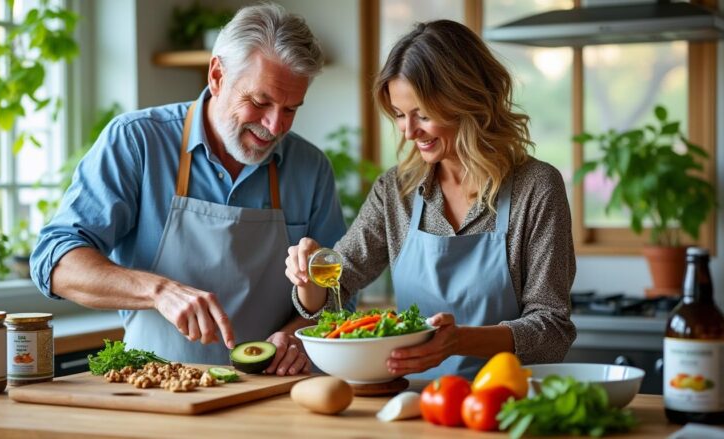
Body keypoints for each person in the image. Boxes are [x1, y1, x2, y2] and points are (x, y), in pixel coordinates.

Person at [30, 3, 346, 376]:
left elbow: (341, 296)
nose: (275, 126)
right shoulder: (137, 142)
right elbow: (55, 260)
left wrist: (296, 335)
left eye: (291, 109)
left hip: (272, 394)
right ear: (216, 76)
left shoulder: (310, 168)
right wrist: (158, 291)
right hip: (156, 387)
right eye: (260, 102)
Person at [285, 19, 576, 380]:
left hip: (508, 402)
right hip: (415, 404)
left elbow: (552, 330)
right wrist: (307, 276)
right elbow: (337, 284)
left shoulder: (536, 187)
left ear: (466, 99)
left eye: (422, 115)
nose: (408, 132)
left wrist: (456, 342)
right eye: (399, 115)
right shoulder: (397, 191)